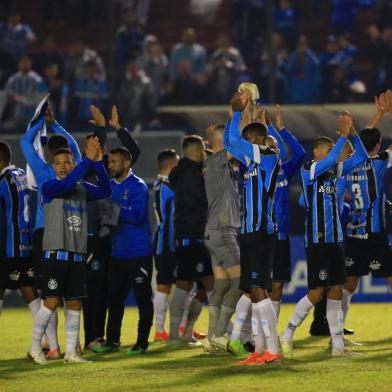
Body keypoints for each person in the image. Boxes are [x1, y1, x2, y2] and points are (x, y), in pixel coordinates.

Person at [280, 111, 368, 358]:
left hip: (335, 241)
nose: (334, 155)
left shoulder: (335, 172)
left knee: (336, 291)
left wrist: (351, 133)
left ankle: (338, 348)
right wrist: (341, 136)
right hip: (317, 241)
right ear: (318, 152)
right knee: (316, 293)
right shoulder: (309, 170)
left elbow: (359, 156)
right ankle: (287, 334)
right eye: (329, 150)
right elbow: (330, 161)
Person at [28, 137, 111, 364]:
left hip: (76, 255)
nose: (63, 166)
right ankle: (35, 348)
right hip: (55, 255)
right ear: (53, 167)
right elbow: (67, 183)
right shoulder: (49, 186)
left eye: (67, 162)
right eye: (58, 162)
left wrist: (97, 163)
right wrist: (87, 160)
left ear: (73, 164)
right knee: (51, 302)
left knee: (75, 303)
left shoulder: (82, 188)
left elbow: (105, 189)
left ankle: (72, 353)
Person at [20, 101, 82, 359]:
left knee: (64, 296)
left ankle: (61, 348)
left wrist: (47, 123)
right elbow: (27, 143)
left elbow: (74, 148)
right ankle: (53, 347)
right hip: (53, 235)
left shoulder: (55, 171)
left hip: (59, 234)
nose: (65, 164)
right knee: (56, 296)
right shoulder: (55, 172)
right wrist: (47, 123)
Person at [226, 90, 281, 365]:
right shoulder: (253, 159)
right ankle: (260, 350)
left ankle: (273, 349)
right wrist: (236, 117)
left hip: (260, 231)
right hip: (250, 231)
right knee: (254, 289)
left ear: (258, 140)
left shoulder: (267, 156)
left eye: (249, 138)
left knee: (259, 290)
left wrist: (237, 112)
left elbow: (233, 141)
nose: (244, 144)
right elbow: (231, 141)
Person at [93, 147, 153, 355]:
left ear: (126, 163)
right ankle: (112, 341)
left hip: (138, 251)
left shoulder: (138, 186)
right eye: (109, 162)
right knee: (114, 300)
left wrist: (112, 210)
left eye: (114, 162)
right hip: (117, 252)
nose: (110, 166)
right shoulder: (108, 187)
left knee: (142, 299)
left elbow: (136, 216)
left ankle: (142, 342)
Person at [343, 91, 392, 331]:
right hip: (374, 232)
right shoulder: (379, 162)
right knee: (391, 275)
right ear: (379, 145)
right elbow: (371, 143)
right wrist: (389, 114)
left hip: (354, 231)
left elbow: (364, 142)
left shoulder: (351, 163)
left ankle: (337, 328)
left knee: (350, 282)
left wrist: (379, 114)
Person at [168, 135, 213, 345]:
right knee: (208, 284)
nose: (205, 154)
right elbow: (206, 199)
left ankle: (183, 333)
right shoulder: (192, 175)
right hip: (194, 235)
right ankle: (221, 333)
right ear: (196, 153)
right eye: (203, 151)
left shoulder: (179, 172)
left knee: (195, 286)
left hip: (186, 235)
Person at [203, 124, 242, 353]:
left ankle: (210, 340)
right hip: (222, 230)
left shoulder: (219, 164)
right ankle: (219, 335)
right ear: (221, 144)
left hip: (214, 230)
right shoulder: (218, 159)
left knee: (222, 285)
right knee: (240, 281)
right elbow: (235, 147)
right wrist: (239, 118)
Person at [267, 106, 305, 320]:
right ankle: (244, 334)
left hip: (281, 234)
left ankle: (269, 335)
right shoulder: (255, 168)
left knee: (278, 285)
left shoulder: (284, 170)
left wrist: (281, 129)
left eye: (275, 148)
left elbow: (299, 153)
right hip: (262, 234)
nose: (273, 150)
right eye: (269, 147)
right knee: (256, 287)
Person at [0, 141, 40, 321]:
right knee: (29, 292)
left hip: (8, 248)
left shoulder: (2, 182)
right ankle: (47, 341)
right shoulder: (22, 174)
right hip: (26, 244)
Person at [152, 149, 179, 342]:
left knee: (183, 284)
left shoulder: (163, 185)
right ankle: (160, 330)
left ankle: (182, 327)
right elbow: (167, 217)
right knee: (164, 286)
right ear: (172, 165)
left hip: (171, 243)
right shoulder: (164, 186)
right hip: (166, 244)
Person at [5, 57, 45, 129]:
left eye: (27, 63)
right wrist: (18, 98)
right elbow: (8, 92)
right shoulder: (13, 79)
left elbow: (43, 93)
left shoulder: (36, 78)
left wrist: (33, 100)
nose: (25, 65)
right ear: (18, 65)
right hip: (17, 106)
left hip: (33, 105)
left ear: (30, 65)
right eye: (22, 64)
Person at [73, 60, 109, 130]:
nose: (90, 70)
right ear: (84, 69)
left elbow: (105, 97)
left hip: (97, 116)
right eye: (88, 68)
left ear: (95, 69)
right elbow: (77, 95)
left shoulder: (101, 81)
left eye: (92, 68)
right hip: (82, 115)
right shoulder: (80, 80)